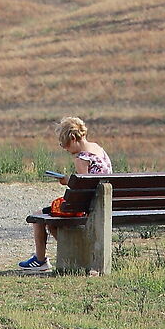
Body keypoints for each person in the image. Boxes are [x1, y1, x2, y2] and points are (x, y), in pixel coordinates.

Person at [21, 116, 112, 271]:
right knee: (52, 220)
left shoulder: (82, 158)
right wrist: (70, 179)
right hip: (105, 204)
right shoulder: (97, 149)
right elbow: (90, 181)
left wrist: (68, 181)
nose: (65, 149)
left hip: (89, 206)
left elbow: (83, 190)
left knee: (38, 217)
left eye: (65, 145)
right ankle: (77, 254)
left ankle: (41, 259)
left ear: (72, 138)